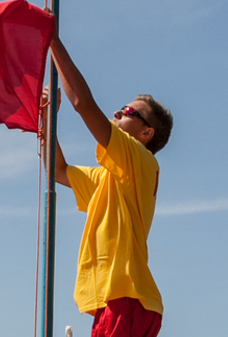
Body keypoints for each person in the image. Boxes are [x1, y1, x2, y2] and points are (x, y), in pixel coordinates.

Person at [46, 32, 174, 337]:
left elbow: (82, 103)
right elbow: (57, 170)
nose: (117, 113)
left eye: (129, 112)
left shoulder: (139, 159)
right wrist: (46, 117)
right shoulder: (111, 176)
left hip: (127, 298)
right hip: (120, 301)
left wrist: (52, 41)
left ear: (147, 133)